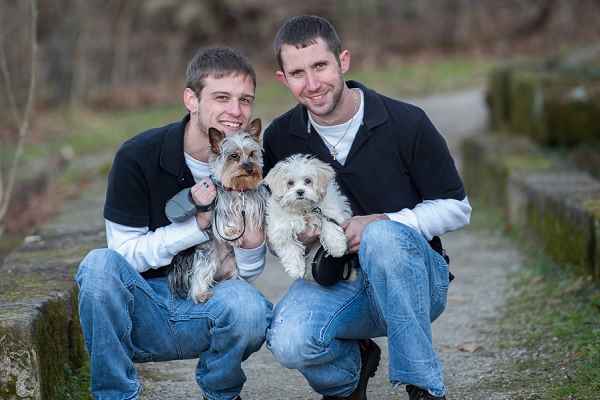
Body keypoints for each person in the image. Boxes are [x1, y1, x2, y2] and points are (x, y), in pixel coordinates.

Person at [262, 15, 472, 400]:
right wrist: (296, 235)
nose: (312, 84)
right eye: (297, 73)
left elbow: (457, 208)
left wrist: (384, 222)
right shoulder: (279, 137)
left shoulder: (407, 122)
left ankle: (422, 386)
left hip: (417, 281)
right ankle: (349, 372)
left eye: (320, 66)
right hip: (338, 281)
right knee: (289, 340)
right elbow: (273, 226)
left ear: (343, 61)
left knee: (384, 237)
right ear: (283, 79)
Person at [75, 47, 273, 400]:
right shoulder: (137, 157)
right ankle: (115, 395)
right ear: (191, 99)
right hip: (142, 309)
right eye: (221, 97)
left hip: (207, 302)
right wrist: (195, 227)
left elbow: (246, 274)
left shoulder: (250, 165)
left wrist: (251, 239)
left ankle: (222, 391)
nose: (235, 111)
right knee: (98, 265)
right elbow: (123, 258)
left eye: (245, 100)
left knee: (250, 309)